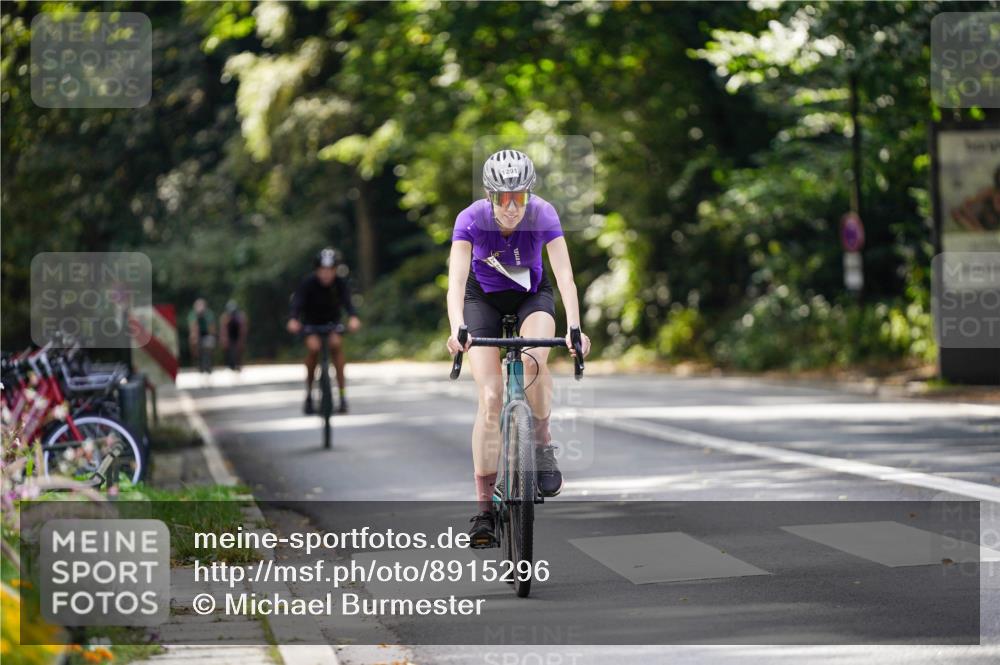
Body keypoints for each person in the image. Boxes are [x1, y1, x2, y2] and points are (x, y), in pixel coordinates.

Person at [446, 149, 591, 547]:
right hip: (483, 301)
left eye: (519, 197)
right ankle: (483, 511)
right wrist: (457, 326)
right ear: (490, 196)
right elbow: (456, 282)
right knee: (491, 396)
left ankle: (542, 444)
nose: (511, 207)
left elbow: (564, 276)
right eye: (503, 199)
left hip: (532, 295)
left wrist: (576, 327)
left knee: (535, 359)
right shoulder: (471, 218)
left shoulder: (543, 214)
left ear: (529, 195)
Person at [287, 248, 362, 415]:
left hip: (332, 324)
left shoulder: (340, 283)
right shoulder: (308, 283)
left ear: (335, 270)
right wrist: (293, 320)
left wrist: (353, 318)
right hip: (311, 325)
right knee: (313, 349)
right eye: (322, 271)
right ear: (317, 271)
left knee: (336, 346)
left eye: (330, 271)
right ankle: (309, 395)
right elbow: (297, 303)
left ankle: (342, 396)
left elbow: (348, 303)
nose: (326, 274)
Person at [187, 298, 216, 375]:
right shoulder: (192, 314)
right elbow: (192, 327)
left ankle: (208, 366)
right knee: (194, 346)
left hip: (206, 334)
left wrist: (212, 336)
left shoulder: (209, 314)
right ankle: (198, 363)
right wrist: (194, 338)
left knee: (208, 347)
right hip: (196, 334)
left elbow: (211, 327)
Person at [220, 300, 248, 372]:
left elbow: (242, 329)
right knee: (229, 352)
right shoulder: (225, 317)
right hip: (230, 336)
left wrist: (241, 340)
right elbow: (224, 329)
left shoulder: (240, 316)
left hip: (237, 335)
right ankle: (230, 365)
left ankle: (239, 365)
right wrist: (224, 339)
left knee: (239, 351)